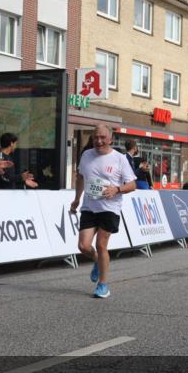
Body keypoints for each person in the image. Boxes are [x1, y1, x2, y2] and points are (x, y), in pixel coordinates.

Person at [70, 124, 137, 299]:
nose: (98, 141)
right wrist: (77, 199)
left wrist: (117, 189)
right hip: (89, 206)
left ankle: (103, 285)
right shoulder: (86, 155)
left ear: (110, 139)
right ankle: (97, 262)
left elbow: (132, 185)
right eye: (95, 138)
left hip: (110, 207)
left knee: (101, 245)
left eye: (102, 138)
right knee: (83, 246)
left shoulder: (119, 159)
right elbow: (81, 178)